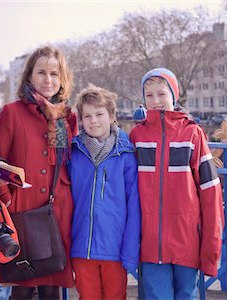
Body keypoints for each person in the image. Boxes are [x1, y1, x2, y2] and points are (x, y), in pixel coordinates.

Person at [0, 46, 77, 299]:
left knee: (53, 285)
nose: (48, 80)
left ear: (62, 79)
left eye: (54, 73)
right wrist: (7, 199)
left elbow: (70, 160)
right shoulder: (12, 112)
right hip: (21, 209)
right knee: (22, 284)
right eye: (41, 72)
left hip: (57, 208)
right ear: (29, 76)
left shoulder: (66, 117)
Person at [129, 68, 224, 299]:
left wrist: (211, 245)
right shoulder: (137, 136)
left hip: (187, 241)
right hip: (150, 244)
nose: (156, 101)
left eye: (162, 93)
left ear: (174, 95)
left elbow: (211, 193)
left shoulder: (193, 134)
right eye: (149, 95)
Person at [68, 84, 141, 299]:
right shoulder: (74, 153)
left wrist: (129, 251)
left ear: (111, 116)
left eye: (99, 114)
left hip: (115, 250)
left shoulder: (126, 154)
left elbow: (133, 206)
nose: (93, 121)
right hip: (82, 247)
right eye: (87, 116)